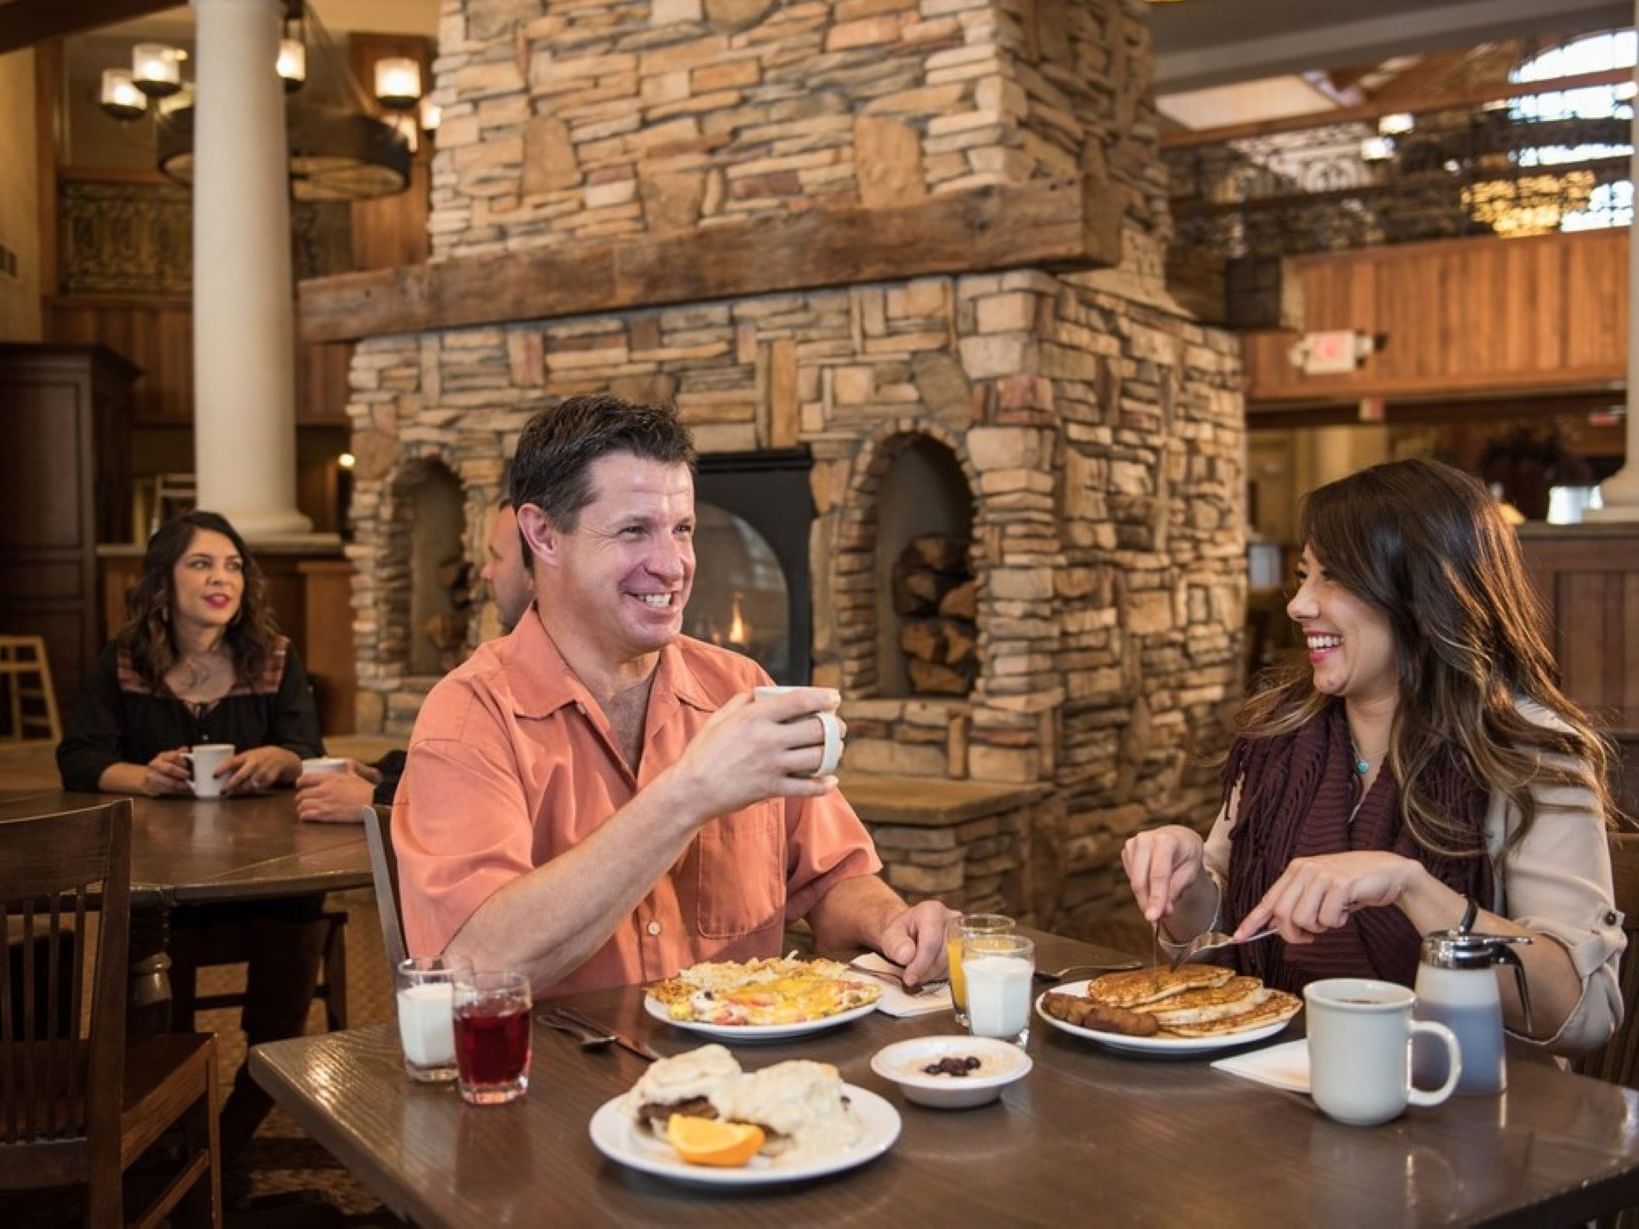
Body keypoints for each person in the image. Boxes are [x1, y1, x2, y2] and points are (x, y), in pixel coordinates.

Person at [394, 394, 951, 994]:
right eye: (635, 531)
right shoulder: (470, 715)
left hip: (742, 1063)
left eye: (682, 529)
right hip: (563, 1081)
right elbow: (474, 969)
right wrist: (689, 796)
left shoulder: (741, 688)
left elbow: (832, 879)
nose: (673, 564)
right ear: (543, 534)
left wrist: (891, 924)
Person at [1122, 459, 1624, 1055]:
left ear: (1422, 594)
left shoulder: (1531, 752)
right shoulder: (1278, 735)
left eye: (1333, 578)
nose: (1299, 605)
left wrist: (1413, 889)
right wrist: (1184, 888)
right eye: (1304, 575)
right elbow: (1221, 941)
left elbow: (1584, 1014)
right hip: (1273, 1089)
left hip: (1459, 1109)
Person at [56, 510, 330, 1165]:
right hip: (169, 882)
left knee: (288, 979)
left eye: (233, 565)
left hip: (267, 872)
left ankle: (228, 1137)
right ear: (163, 580)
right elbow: (80, 757)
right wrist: (142, 777)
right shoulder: (123, 662)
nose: (222, 577)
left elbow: (306, 749)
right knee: (154, 1014)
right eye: (202, 563)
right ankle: (172, 1135)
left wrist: (278, 758)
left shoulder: (274, 656)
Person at [293, 496, 535, 822]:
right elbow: (460, 764)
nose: (485, 573)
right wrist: (383, 773)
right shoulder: (512, 659)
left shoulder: (535, 672)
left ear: (540, 563)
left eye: (497, 557)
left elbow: (491, 802)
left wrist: (376, 799)